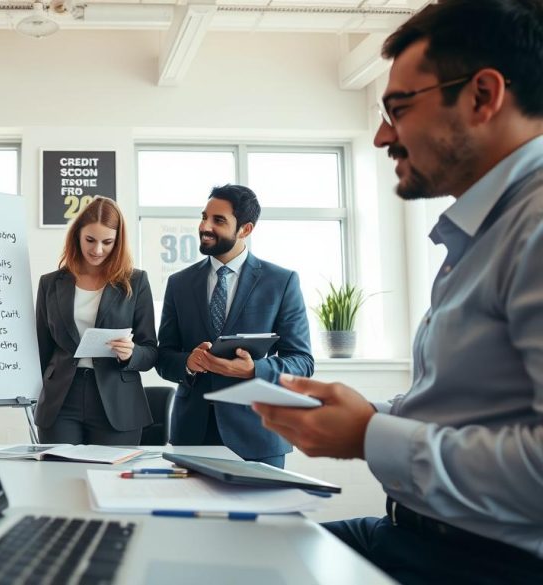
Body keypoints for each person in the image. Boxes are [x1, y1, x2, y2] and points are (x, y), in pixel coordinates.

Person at [252, 1, 543, 582]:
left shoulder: (533, 228)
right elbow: (473, 413)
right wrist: (363, 414)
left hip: (479, 564)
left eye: (398, 108)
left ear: (483, 96)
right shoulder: (482, 230)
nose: (383, 135)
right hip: (408, 535)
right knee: (224, 555)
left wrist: (369, 434)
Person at [157, 184, 313, 468]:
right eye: (204, 217)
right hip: (192, 434)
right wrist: (188, 363)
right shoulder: (179, 284)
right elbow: (164, 356)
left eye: (218, 220)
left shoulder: (281, 281)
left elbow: (302, 362)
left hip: (258, 435)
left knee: (262, 514)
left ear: (245, 229)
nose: (204, 226)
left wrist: (254, 369)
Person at [35, 197, 158, 445]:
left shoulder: (136, 282)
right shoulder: (49, 283)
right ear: (77, 236)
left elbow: (151, 351)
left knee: (112, 481)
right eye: (90, 240)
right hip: (60, 401)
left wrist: (131, 354)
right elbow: (41, 348)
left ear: (118, 242)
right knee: (61, 480)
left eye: (107, 242)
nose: (97, 250)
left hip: (117, 400)